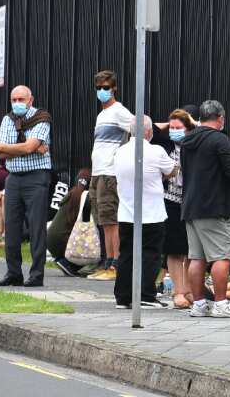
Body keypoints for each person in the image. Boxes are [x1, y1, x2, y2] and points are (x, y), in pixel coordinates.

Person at [178, 99, 230, 318]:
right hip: (214, 206)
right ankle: (220, 304)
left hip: (191, 206)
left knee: (197, 257)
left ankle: (199, 304)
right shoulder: (220, 139)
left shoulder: (188, 141)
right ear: (220, 118)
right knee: (222, 256)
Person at [110, 117, 176, 309]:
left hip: (126, 212)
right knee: (151, 254)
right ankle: (146, 294)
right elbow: (171, 170)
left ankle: (122, 297)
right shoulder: (156, 151)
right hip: (152, 213)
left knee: (126, 255)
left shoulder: (119, 152)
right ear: (148, 132)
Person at [0, 85, 52, 287]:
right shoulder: (8, 119)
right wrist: (28, 149)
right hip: (14, 178)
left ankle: (36, 275)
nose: (17, 103)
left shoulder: (42, 118)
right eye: (14, 100)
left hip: (36, 177)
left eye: (21, 99)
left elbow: (28, 146)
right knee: (12, 227)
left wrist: (18, 148)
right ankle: (13, 273)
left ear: (30, 100)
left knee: (36, 228)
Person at [86, 70, 135, 281]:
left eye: (106, 88)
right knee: (103, 220)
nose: (102, 91)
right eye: (99, 88)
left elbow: (139, 127)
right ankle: (107, 261)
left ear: (114, 88)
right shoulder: (101, 114)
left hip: (110, 173)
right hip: (98, 172)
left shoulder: (119, 111)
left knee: (111, 220)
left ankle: (115, 264)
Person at [162, 108, 196, 307]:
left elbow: (217, 133)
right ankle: (178, 291)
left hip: (192, 203)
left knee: (191, 250)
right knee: (175, 250)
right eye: (172, 127)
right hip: (171, 202)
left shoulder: (194, 144)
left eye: (179, 128)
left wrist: (193, 122)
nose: (174, 131)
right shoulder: (165, 146)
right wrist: (169, 124)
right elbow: (151, 129)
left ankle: (191, 289)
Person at [48, 170, 91, 276]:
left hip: (50, 240)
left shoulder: (71, 193)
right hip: (62, 241)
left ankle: (65, 260)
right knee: (94, 240)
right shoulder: (86, 198)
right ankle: (71, 264)